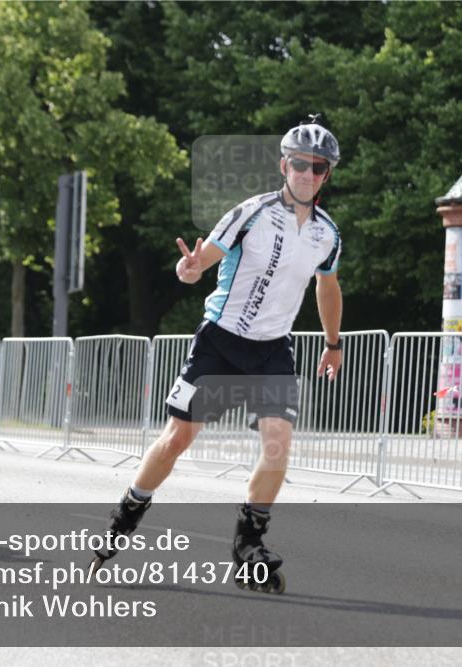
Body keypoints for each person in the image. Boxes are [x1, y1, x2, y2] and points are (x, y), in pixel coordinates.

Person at [90, 117, 344, 594]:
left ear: (327, 175)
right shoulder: (251, 211)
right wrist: (189, 270)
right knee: (176, 441)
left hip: (273, 350)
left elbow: (326, 287)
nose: (307, 174)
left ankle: (249, 544)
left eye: (318, 168)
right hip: (220, 342)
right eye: (298, 164)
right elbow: (202, 259)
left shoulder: (327, 234)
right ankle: (126, 514)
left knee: (278, 443)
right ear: (283, 165)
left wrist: (333, 344)